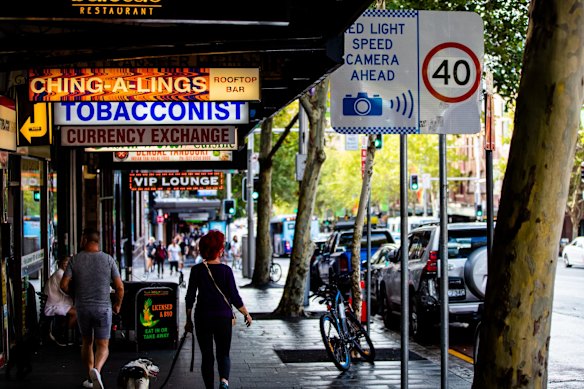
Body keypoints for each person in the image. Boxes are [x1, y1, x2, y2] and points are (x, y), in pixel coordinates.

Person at [184, 230, 252, 389]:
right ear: (220, 250)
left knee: (207, 356)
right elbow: (234, 297)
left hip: (202, 317)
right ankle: (224, 382)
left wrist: (188, 320)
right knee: (224, 353)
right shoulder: (226, 271)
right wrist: (246, 314)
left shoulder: (196, 270)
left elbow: (190, 297)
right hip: (223, 318)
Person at [60, 227, 124, 389]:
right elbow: (120, 288)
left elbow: (63, 285)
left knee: (87, 342)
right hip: (103, 308)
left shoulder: (75, 260)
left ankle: (90, 376)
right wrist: (117, 304)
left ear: (85, 240)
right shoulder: (108, 260)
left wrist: (75, 294)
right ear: (97, 241)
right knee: (103, 345)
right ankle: (97, 370)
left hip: (83, 308)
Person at [43, 256, 77, 346]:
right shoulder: (60, 274)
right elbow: (65, 290)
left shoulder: (61, 273)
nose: (66, 265)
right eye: (65, 263)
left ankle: (63, 331)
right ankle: (66, 336)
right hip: (54, 305)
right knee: (76, 313)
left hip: (57, 302)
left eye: (68, 264)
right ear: (61, 264)